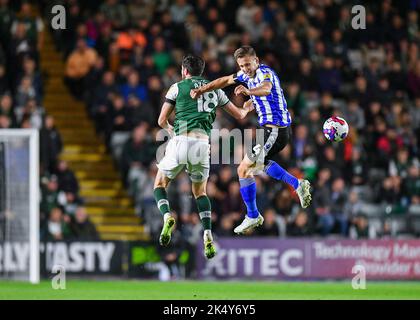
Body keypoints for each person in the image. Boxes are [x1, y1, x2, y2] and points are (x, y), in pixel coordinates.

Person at [190, 45, 312, 234]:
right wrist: (203, 89)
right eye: (241, 65)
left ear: (256, 60)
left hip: (276, 130)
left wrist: (249, 93)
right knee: (254, 167)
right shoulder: (245, 75)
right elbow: (225, 80)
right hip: (268, 131)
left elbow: (265, 89)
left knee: (243, 168)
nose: (245, 68)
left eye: (247, 64)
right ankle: (297, 185)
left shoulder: (265, 73)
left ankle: (254, 214)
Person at [153, 54, 255, 259]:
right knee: (200, 193)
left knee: (160, 184)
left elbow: (161, 120)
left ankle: (167, 216)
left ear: (184, 70)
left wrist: (171, 130)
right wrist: (247, 108)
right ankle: (207, 232)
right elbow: (238, 115)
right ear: (202, 71)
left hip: (181, 140)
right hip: (202, 145)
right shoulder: (214, 89)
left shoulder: (176, 87)